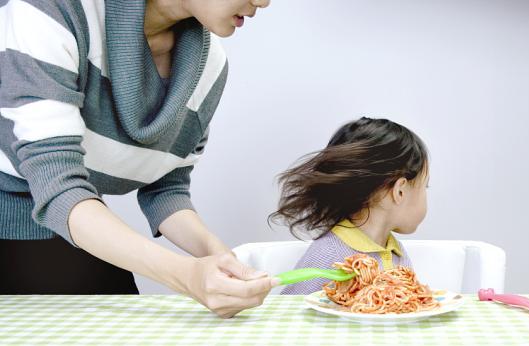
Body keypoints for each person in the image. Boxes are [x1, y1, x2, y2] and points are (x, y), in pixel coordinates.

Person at [0, 0, 275, 318]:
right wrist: (188, 276)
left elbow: (167, 187)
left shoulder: (210, 67)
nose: (264, 2)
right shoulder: (53, 10)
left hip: (78, 231)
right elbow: (58, 186)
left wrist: (220, 258)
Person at [270, 117, 429, 294]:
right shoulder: (328, 253)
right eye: (425, 186)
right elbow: (290, 312)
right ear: (400, 191)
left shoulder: (395, 251)